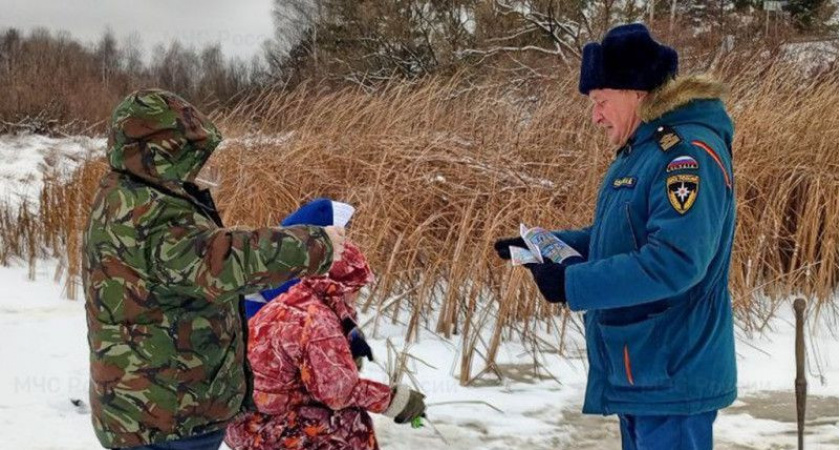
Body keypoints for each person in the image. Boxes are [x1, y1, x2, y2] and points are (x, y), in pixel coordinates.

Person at [494, 24, 736, 450]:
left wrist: (573, 283)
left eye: (602, 102)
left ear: (637, 93)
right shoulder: (638, 153)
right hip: (643, 368)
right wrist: (548, 246)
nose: (596, 116)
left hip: (672, 374)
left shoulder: (685, 155)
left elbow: (675, 261)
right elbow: (619, 238)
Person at [83, 89, 346, 450]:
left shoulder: (125, 193)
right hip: (166, 415)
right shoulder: (149, 213)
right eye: (183, 149)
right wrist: (318, 245)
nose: (194, 163)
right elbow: (222, 260)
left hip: (149, 407)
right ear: (159, 150)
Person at [225, 200, 426, 450]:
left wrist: (347, 342)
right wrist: (396, 400)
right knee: (351, 425)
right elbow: (338, 392)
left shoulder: (298, 293)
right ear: (340, 287)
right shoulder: (315, 318)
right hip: (259, 426)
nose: (356, 297)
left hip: (241, 416)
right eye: (355, 290)